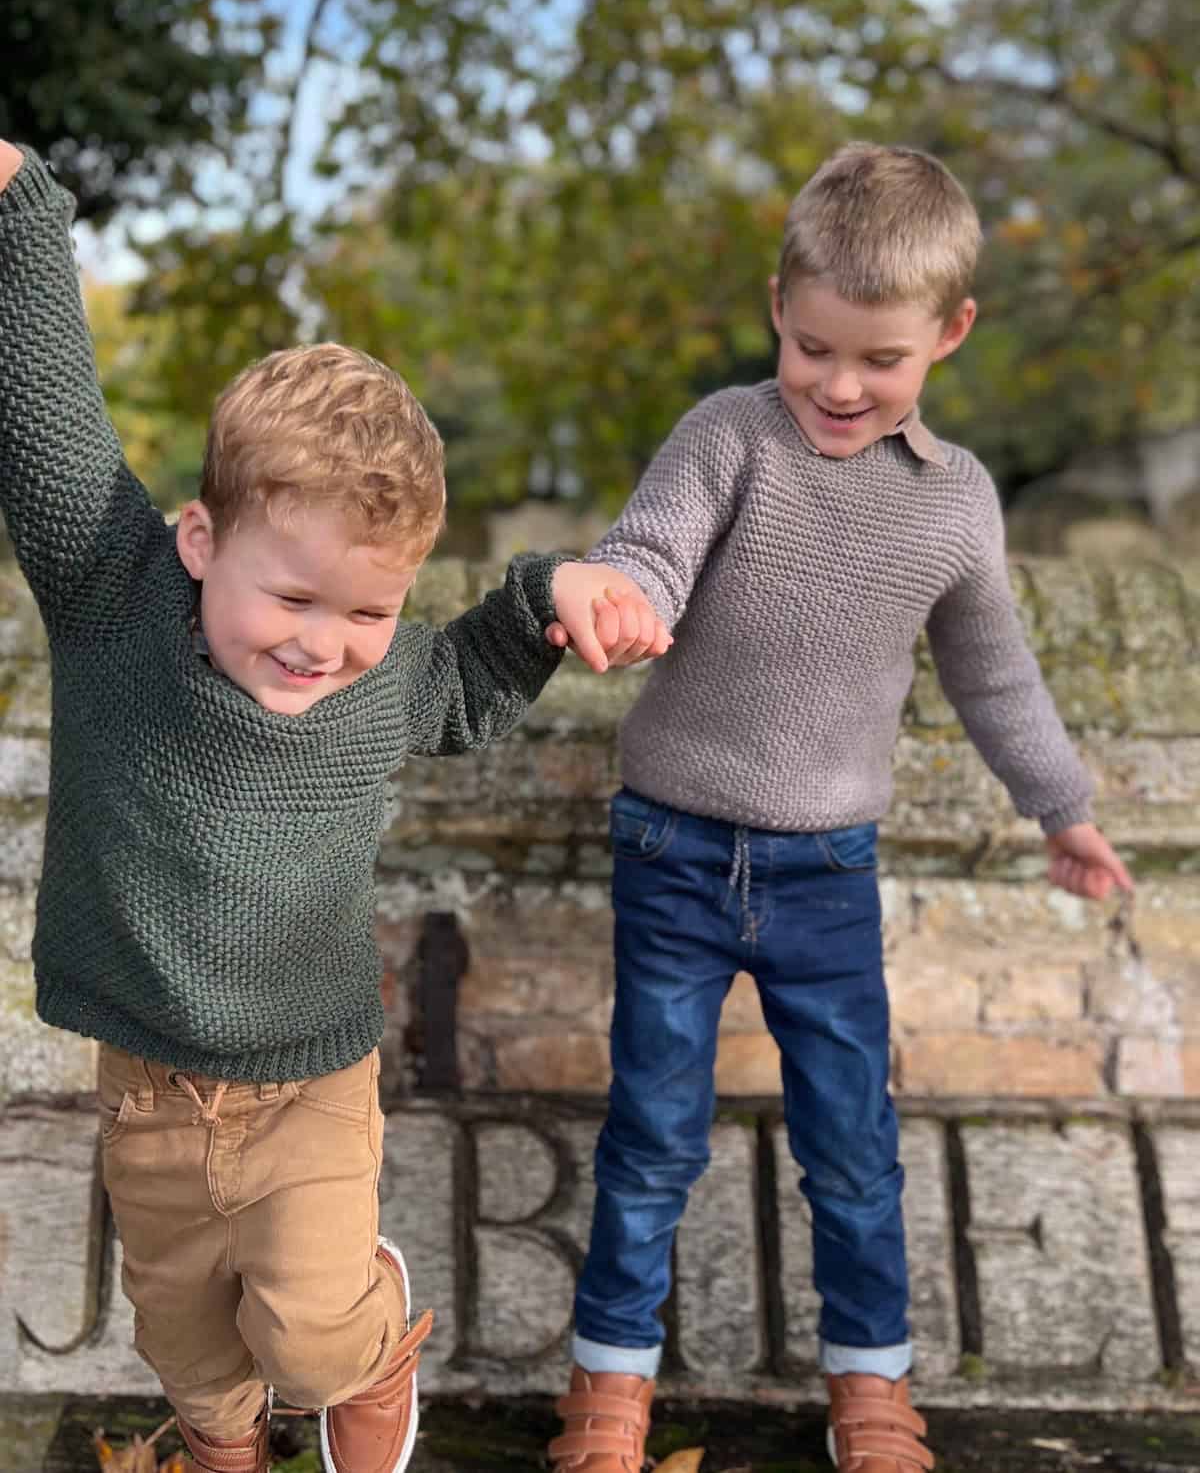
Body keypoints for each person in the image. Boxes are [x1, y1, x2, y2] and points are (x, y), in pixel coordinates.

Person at [0, 138, 671, 1473]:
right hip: (148, 1077)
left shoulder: (382, 680)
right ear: (201, 543)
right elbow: (49, 423)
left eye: (367, 609)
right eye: (293, 599)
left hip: (310, 1074)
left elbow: (474, 670)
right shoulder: (117, 601)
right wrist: (18, 203)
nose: (327, 641)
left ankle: (368, 1353)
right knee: (187, 1341)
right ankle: (221, 1449)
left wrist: (556, 594)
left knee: (304, 1335)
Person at [545, 143, 1134, 1473]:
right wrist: (617, 593)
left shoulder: (958, 502)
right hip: (674, 851)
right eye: (814, 348)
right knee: (651, 1135)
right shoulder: (728, 438)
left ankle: (873, 1389)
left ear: (952, 335)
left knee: (854, 1148)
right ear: (776, 308)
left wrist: (1064, 808)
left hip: (826, 874)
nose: (841, 385)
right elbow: (653, 543)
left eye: (882, 361)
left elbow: (995, 674)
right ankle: (609, 1395)